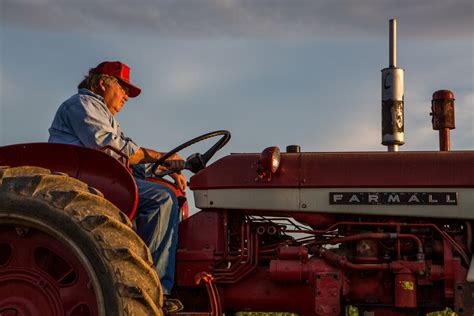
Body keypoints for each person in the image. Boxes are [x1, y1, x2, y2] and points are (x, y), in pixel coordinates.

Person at [48, 61, 185, 313]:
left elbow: (125, 158)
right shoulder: (82, 105)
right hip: (83, 182)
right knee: (161, 198)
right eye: (123, 88)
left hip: (101, 177)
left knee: (167, 192)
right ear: (102, 83)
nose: (126, 97)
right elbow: (111, 149)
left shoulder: (102, 113)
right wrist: (158, 157)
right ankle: (151, 287)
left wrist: (164, 168)